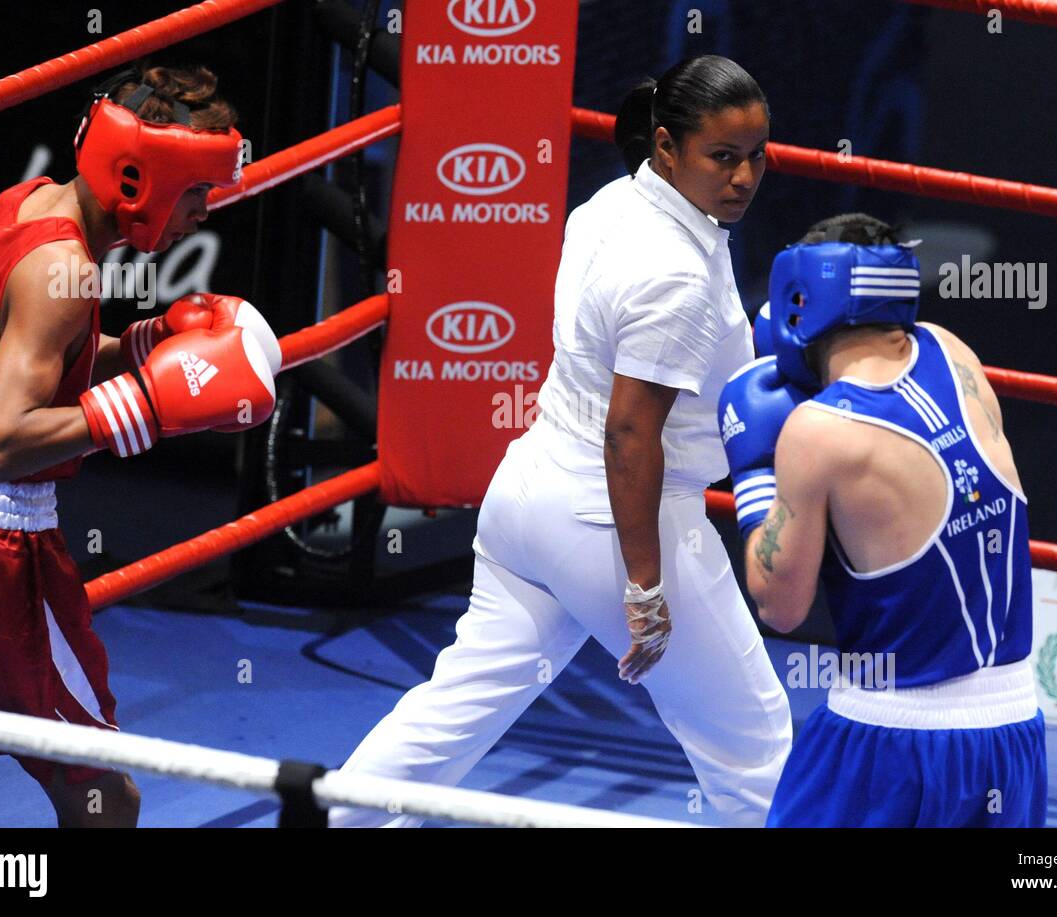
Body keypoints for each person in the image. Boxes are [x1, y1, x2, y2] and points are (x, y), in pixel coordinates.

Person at [330, 55, 791, 828]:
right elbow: (630, 432)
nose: (743, 177)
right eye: (723, 157)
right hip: (617, 522)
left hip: (532, 489)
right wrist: (644, 586)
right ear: (669, 148)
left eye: (756, 157)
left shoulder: (612, 205)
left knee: (455, 707)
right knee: (753, 741)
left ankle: (333, 823)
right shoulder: (673, 273)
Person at [0, 65, 282, 826]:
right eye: (197, 193)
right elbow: (0, 444)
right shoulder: (62, 268)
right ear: (143, 180)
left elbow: (37, 351)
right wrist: (148, 405)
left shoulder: (30, 204)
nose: (200, 217)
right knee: (104, 796)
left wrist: (142, 344)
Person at [718, 213, 1047, 827]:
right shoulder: (953, 354)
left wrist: (756, 476)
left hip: (890, 734)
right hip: (1015, 734)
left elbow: (780, 606)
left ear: (798, 298)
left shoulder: (819, 431)